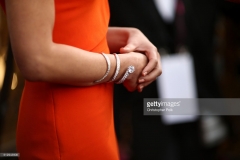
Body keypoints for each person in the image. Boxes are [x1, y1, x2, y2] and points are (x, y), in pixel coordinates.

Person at [0, 0, 161, 159]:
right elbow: (37, 59)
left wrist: (126, 36)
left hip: (97, 116)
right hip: (63, 123)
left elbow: (70, 28)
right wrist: (123, 67)